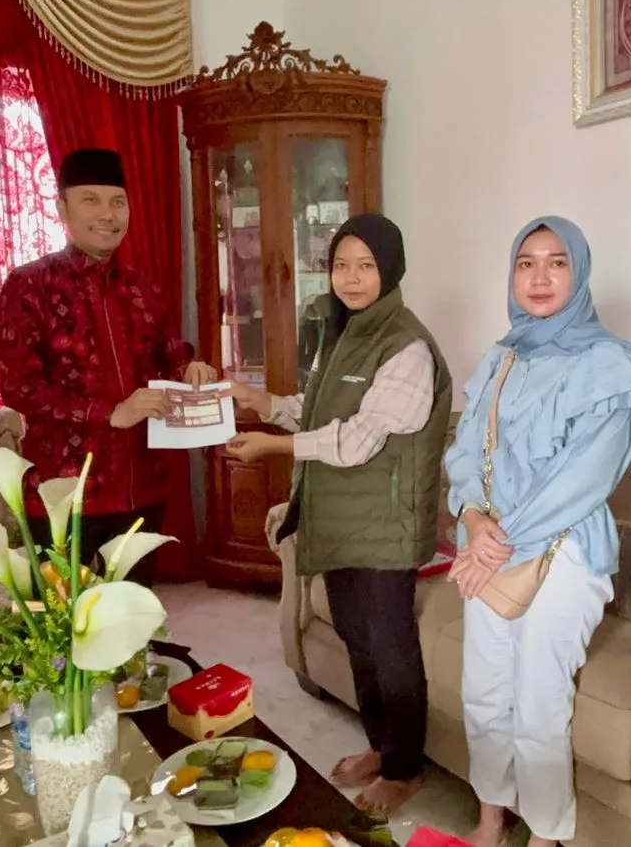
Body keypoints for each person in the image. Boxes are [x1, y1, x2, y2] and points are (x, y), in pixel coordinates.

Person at [224, 213, 452, 816]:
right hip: (343, 517)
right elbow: (321, 407)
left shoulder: (407, 347)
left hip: (387, 523)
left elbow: (356, 440)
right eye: (341, 265)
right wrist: (263, 402)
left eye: (365, 266)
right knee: (357, 638)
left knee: (390, 646)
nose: (351, 278)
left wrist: (274, 446)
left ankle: (404, 770)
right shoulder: (344, 330)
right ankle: (381, 746)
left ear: (391, 270)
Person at [445, 216, 631, 847]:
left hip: (563, 551)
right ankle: (491, 819)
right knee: (483, 695)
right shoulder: (502, 356)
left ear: (579, 273)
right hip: (488, 545)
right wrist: (473, 518)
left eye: (557, 262)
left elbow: (583, 479)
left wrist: (495, 542)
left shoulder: (608, 364)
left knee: (539, 706)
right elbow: (466, 452)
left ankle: (546, 835)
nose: (539, 276)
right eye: (526, 262)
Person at [0, 148, 216, 577]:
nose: (107, 214)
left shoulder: (141, 286)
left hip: (142, 484)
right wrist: (110, 412)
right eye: (90, 200)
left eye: (118, 202)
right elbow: (19, 386)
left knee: (133, 607)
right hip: (63, 490)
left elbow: (169, 351)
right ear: (63, 208)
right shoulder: (29, 284)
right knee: (62, 612)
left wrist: (190, 370)